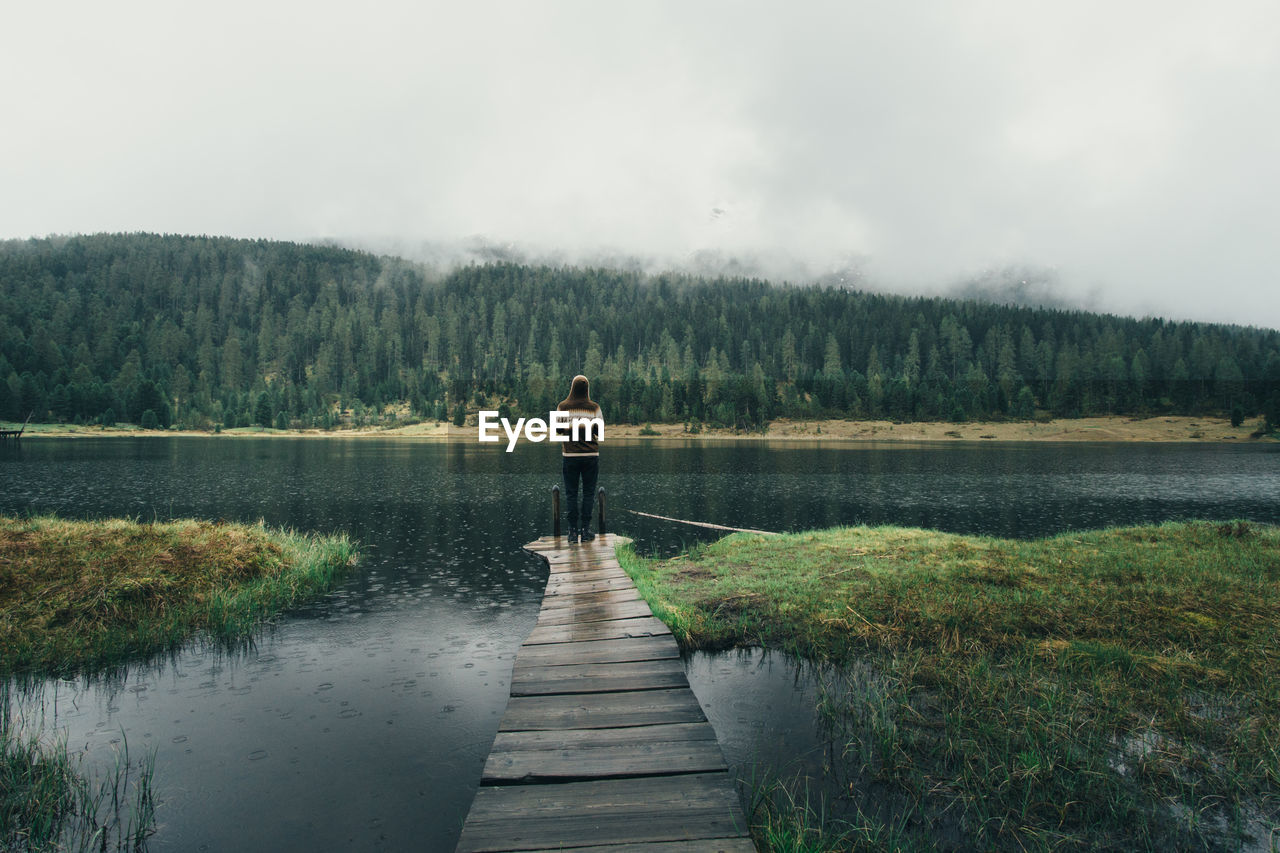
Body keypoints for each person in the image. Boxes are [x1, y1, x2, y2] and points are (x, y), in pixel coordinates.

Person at [557, 374, 602, 543]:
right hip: (591, 456)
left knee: (571, 494)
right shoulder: (594, 408)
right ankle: (585, 531)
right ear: (587, 388)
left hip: (570, 457)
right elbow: (600, 431)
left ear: (572, 388)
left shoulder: (562, 407)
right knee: (589, 494)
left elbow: (558, 431)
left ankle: (572, 533)